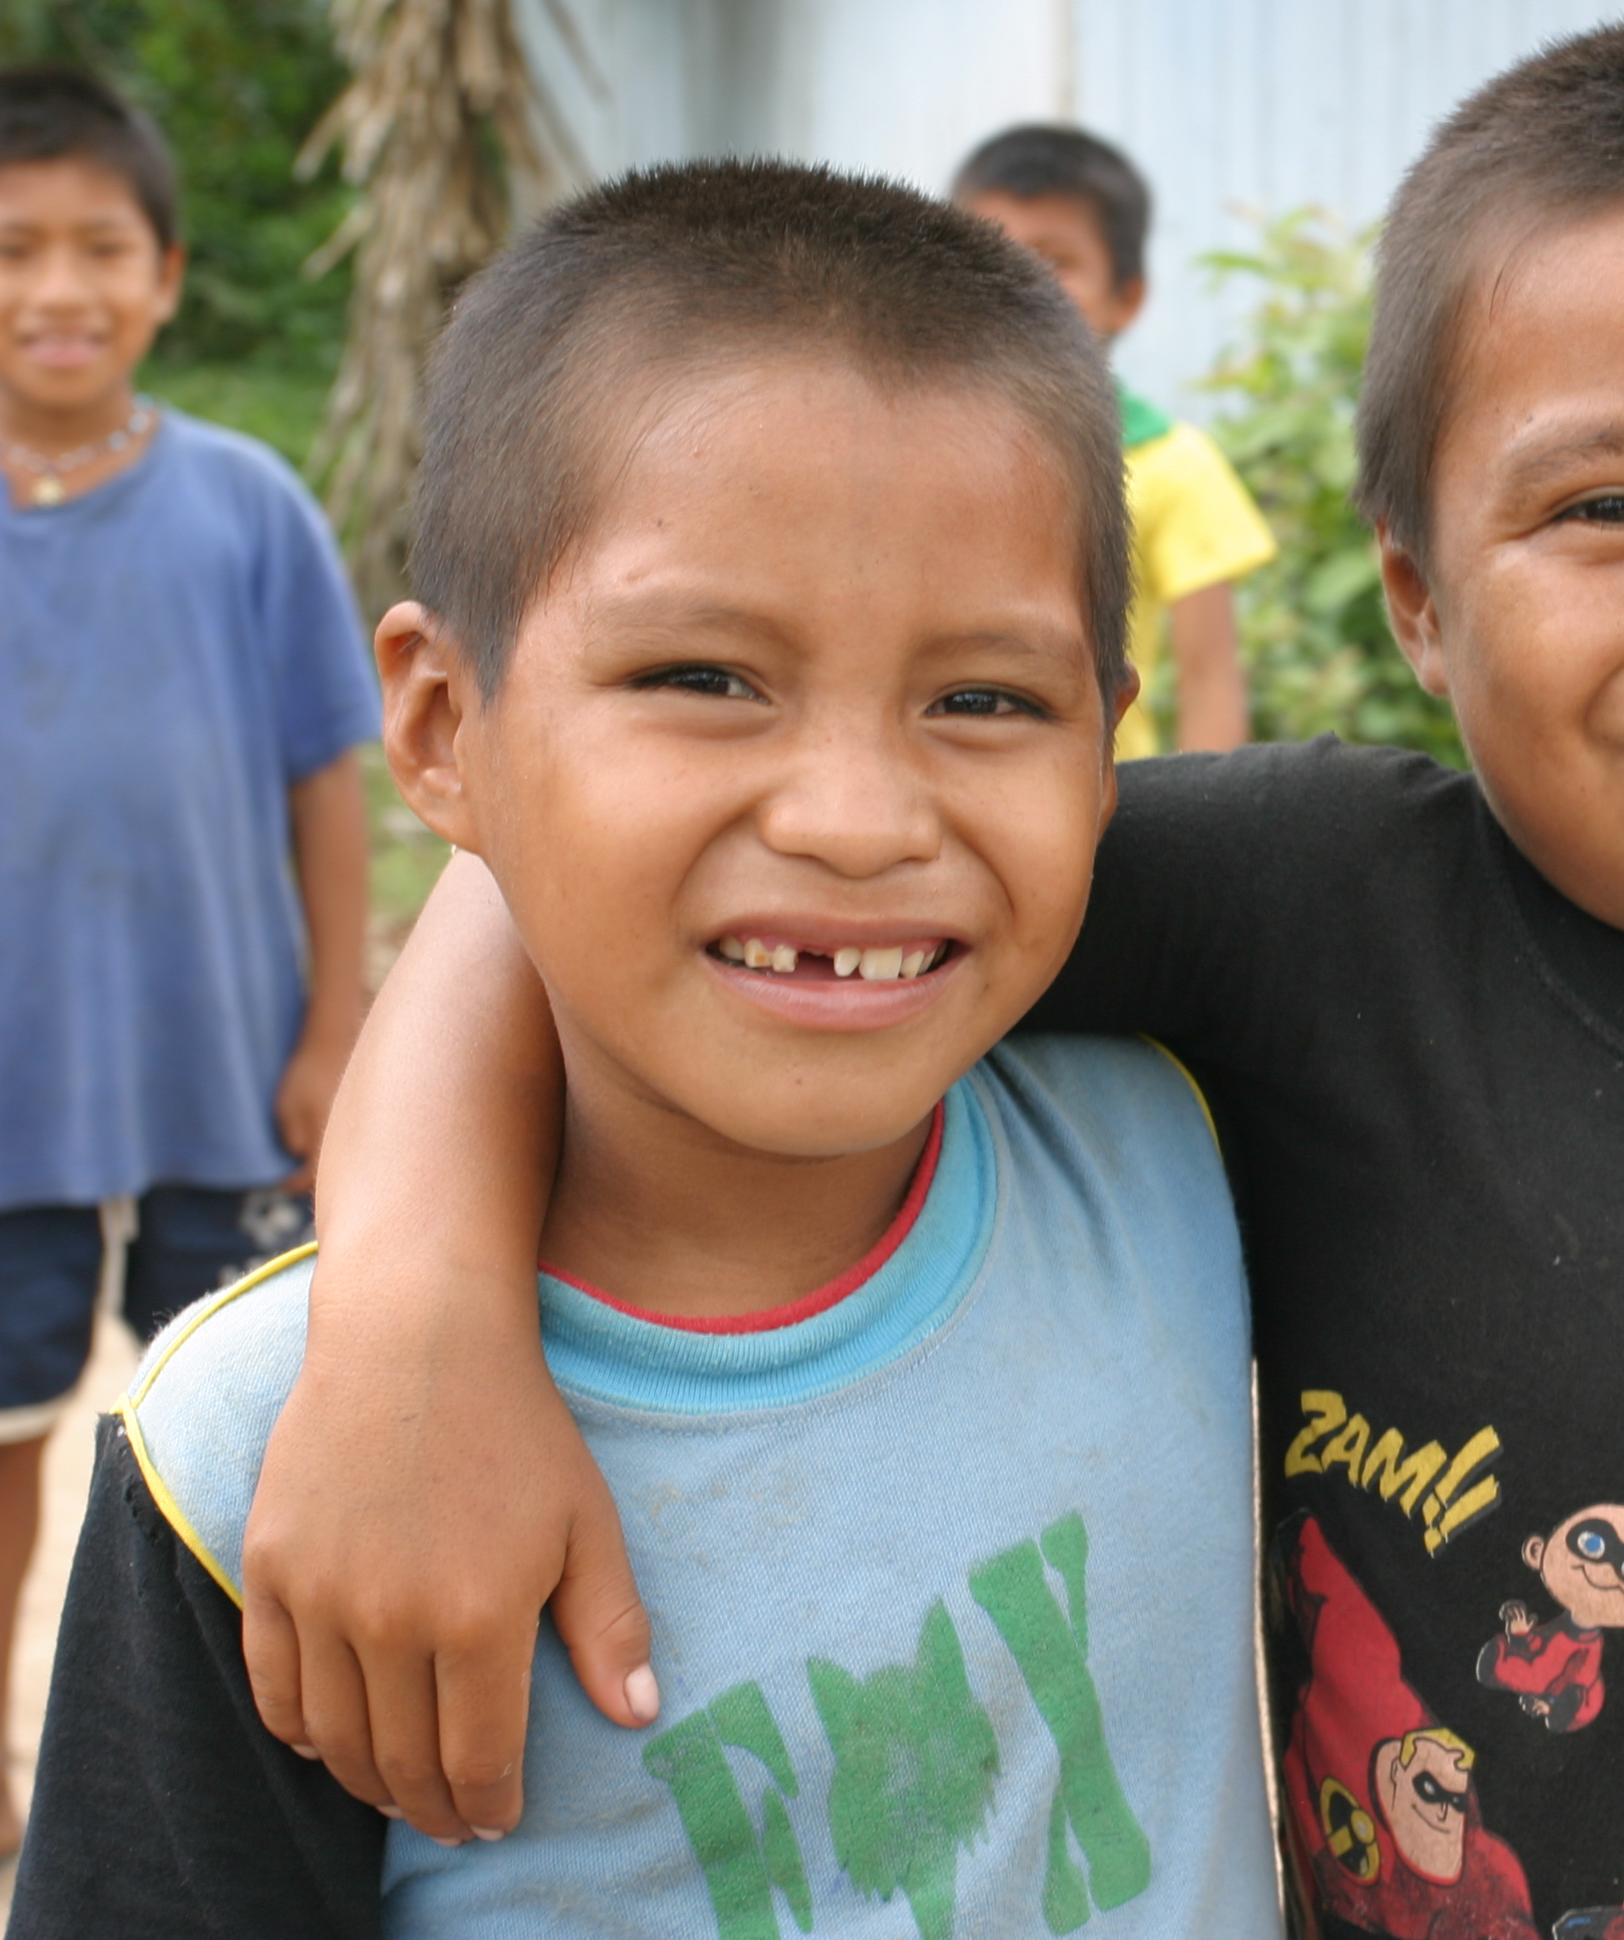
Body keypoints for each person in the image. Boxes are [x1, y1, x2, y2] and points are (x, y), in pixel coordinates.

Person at [237, 18, 1624, 1938]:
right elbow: (583, 875)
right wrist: (415, 1305)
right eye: (1609, 510)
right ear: (1413, 593)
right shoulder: (1307, 924)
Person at [9, 163, 1287, 1935]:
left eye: (983, 699)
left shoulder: (1189, 1151)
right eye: (704, 676)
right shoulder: (262, 1448)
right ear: (444, 728)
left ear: (1106, 751)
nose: (856, 818)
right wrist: (414, 1313)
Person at [0, 64, 376, 1853]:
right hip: (10, 1097)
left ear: (163, 275)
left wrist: (336, 1026)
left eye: (96, 246)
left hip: (225, 1077)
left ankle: (229, 1785)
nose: (54, 286)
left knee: (223, 1439)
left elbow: (328, 777)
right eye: (12, 247)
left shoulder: (248, 507)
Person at [953, 122, 1274, 757]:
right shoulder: (903, 453)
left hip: (1113, 818)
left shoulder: (1174, 464)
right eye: (985, 251)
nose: (1013, 282)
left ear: (1124, 298)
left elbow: (1208, 679)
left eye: (1054, 260)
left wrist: (1198, 836)